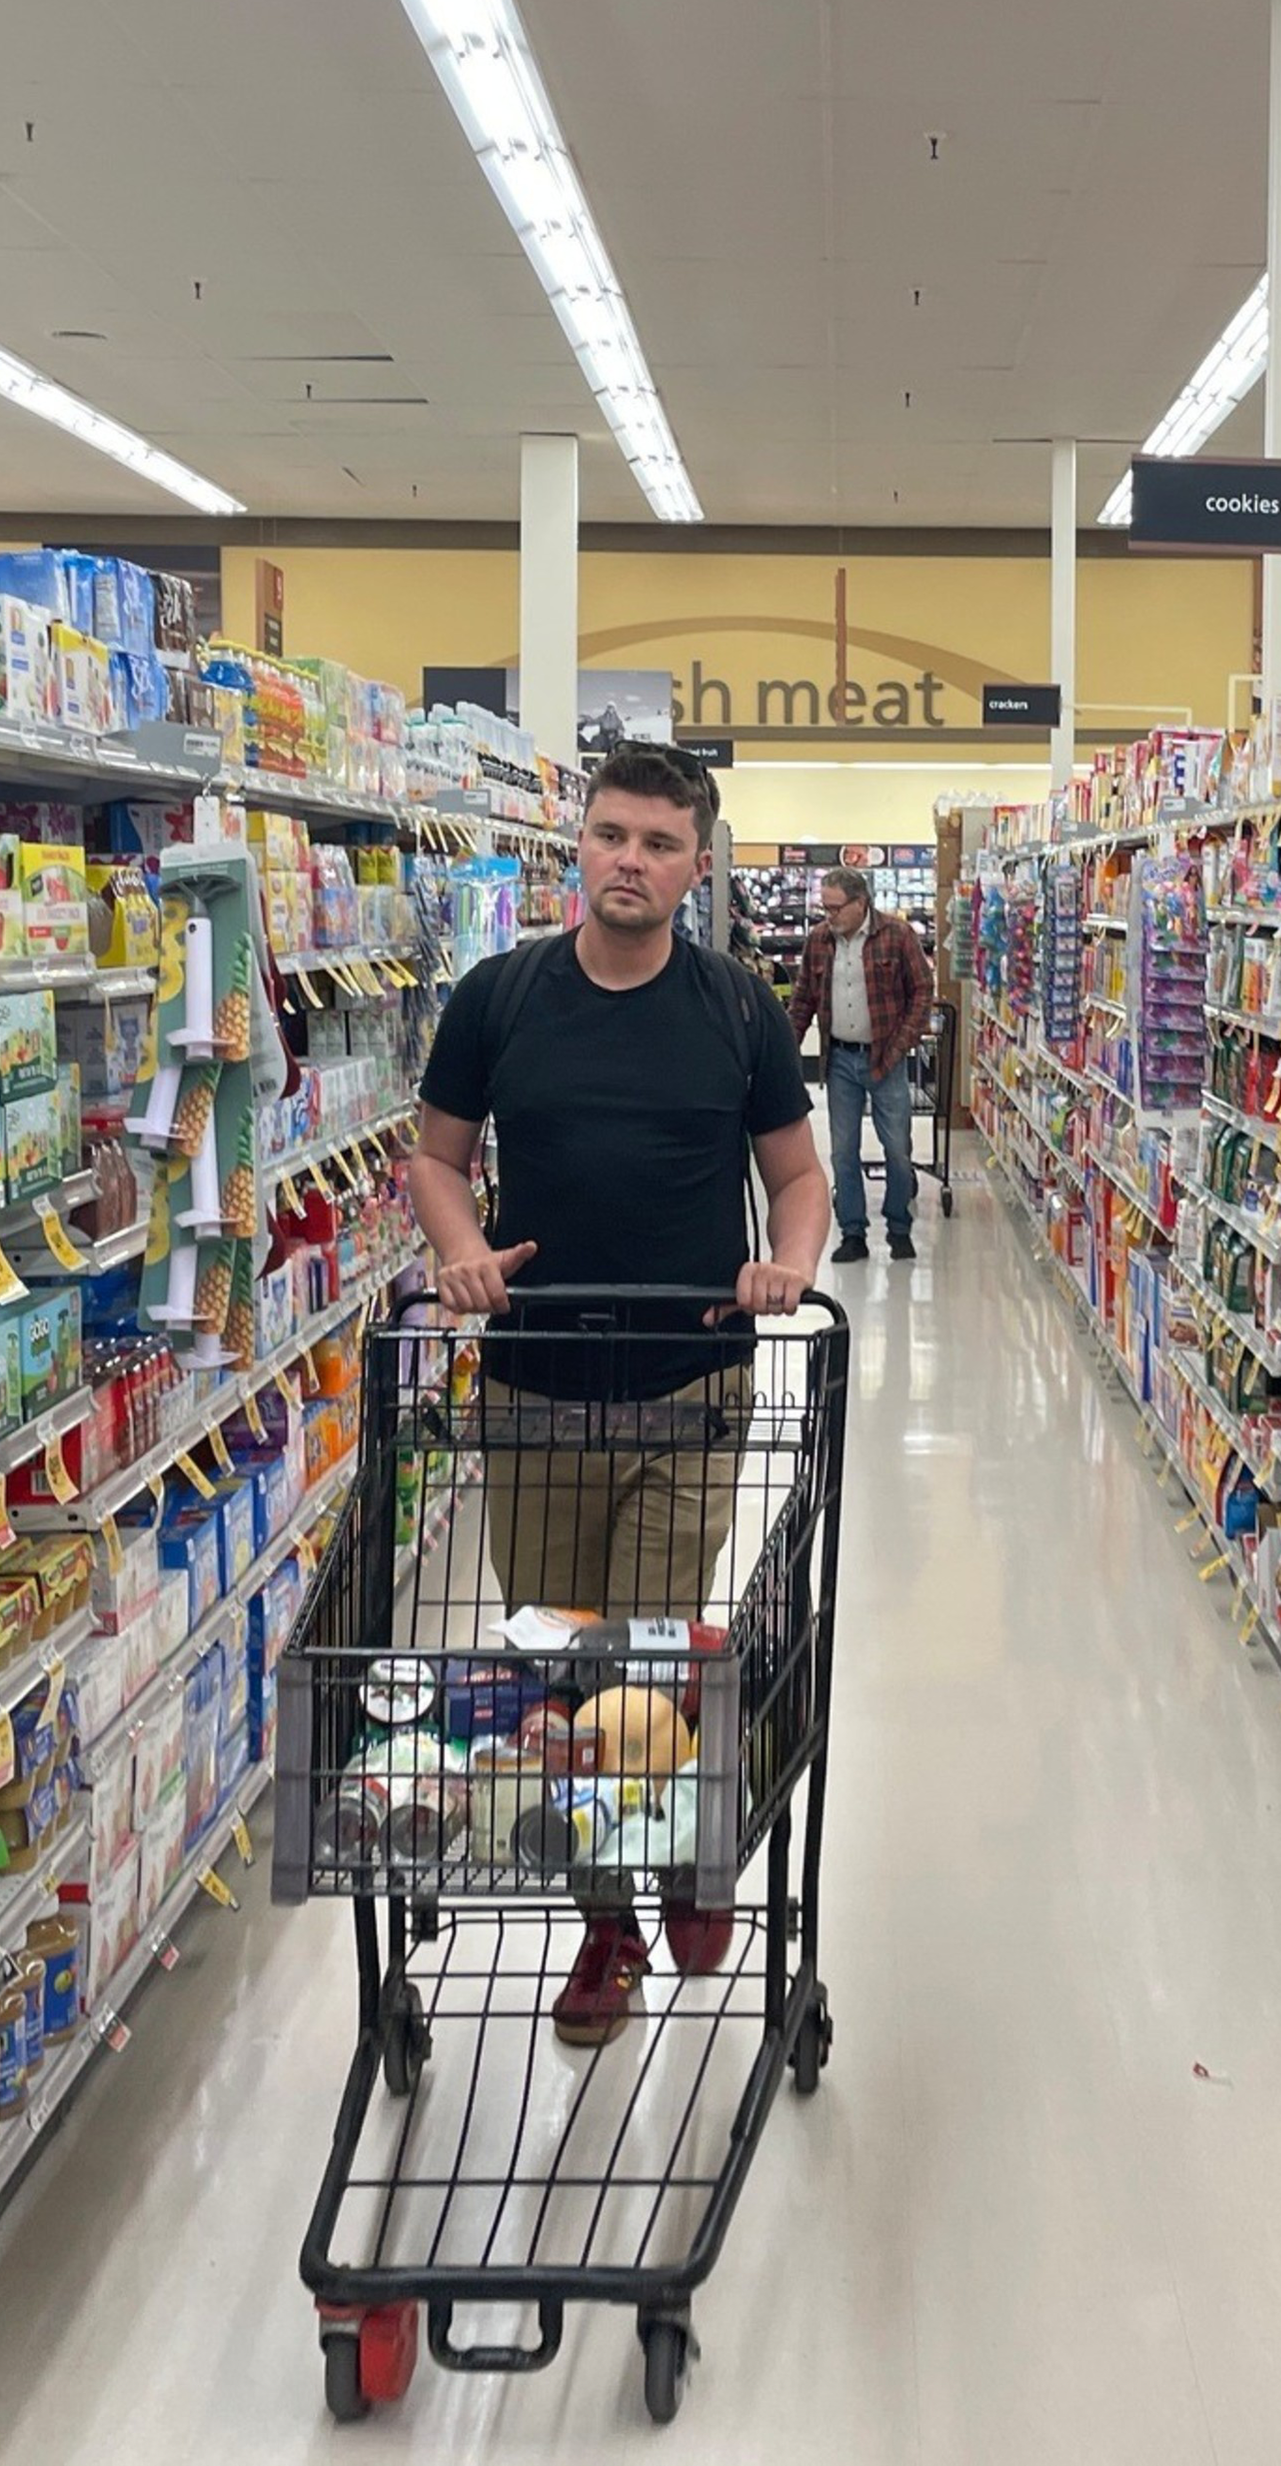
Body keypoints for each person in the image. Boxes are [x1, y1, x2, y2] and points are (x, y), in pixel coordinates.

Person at [409, 740, 830, 2045]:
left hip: (685, 1388)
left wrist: (786, 1265)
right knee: (558, 1666)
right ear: (574, 847)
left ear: (695, 866)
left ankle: (650, 1896)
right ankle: (617, 1906)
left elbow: (799, 1177)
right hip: (529, 1392)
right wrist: (459, 1251)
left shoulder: (736, 1010)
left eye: (656, 843)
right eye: (608, 835)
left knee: (645, 1661)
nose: (628, 861)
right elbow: (432, 1160)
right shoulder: (496, 998)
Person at [787, 865, 934, 1261]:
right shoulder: (819, 941)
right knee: (842, 1151)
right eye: (825, 909)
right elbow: (803, 1000)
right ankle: (853, 1232)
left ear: (860, 903)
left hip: (886, 1058)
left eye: (835, 909)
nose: (828, 916)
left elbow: (923, 990)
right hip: (840, 1060)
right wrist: (785, 1050)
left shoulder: (898, 935)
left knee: (897, 1150)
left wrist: (901, 1044)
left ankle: (898, 1227)